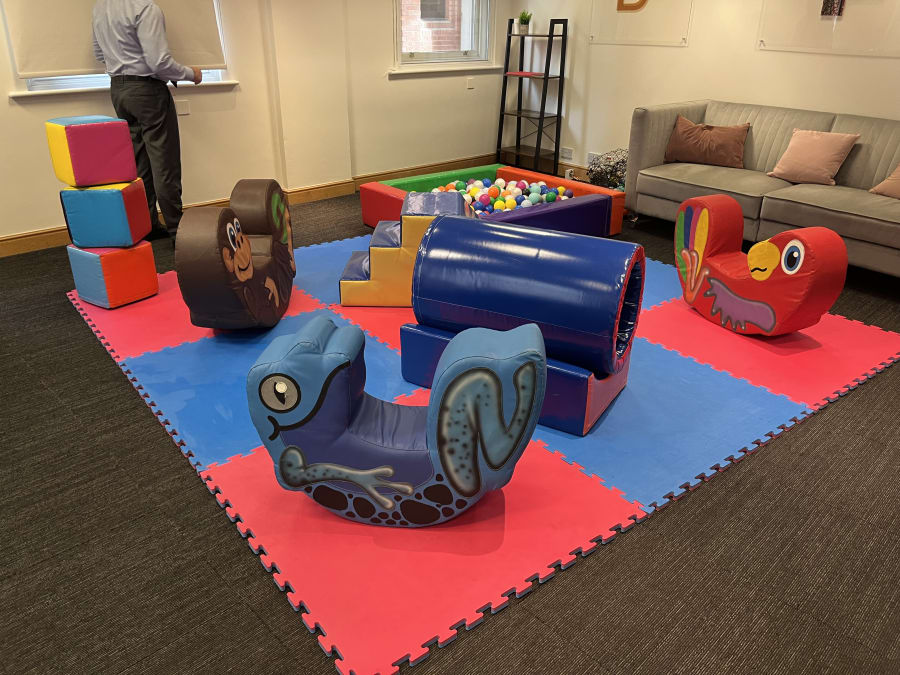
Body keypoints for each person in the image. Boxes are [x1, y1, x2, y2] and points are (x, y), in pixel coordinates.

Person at [92, 0, 202, 240]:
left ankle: (148, 225)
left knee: (140, 161)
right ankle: (178, 231)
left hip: (118, 90)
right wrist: (191, 74)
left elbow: (99, 53)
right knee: (164, 162)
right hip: (147, 91)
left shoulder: (101, 7)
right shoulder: (145, 8)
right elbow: (159, 62)